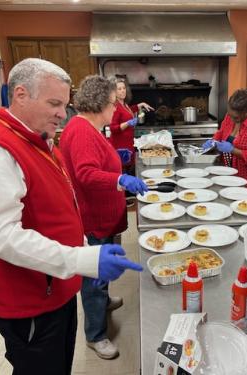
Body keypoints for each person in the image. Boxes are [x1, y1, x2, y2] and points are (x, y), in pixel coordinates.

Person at [0, 58, 143, 375]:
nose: (62, 113)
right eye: (54, 103)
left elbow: (63, 205)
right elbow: (1, 237)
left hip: (54, 288)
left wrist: (85, 250)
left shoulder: (38, 141)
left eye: (65, 104)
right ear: (20, 95)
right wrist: (80, 261)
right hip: (29, 302)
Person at [59, 75, 148, 359]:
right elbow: (86, 174)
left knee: (103, 268)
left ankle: (104, 301)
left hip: (103, 214)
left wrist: (115, 158)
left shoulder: (88, 127)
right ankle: (95, 335)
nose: (115, 109)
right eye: (112, 103)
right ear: (99, 103)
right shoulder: (83, 130)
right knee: (95, 274)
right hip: (94, 217)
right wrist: (120, 179)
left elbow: (96, 161)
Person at [202, 88, 247, 193]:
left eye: (236, 118)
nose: (232, 119)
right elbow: (221, 132)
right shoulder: (230, 116)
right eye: (230, 115)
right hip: (232, 177)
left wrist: (233, 150)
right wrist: (213, 141)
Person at [109, 77, 154, 174]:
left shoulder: (124, 104)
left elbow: (128, 111)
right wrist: (128, 123)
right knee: (124, 173)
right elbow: (113, 128)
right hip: (120, 147)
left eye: (124, 88)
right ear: (114, 92)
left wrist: (140, 105)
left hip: (128, 144)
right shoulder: (115, 106)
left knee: (129, 170)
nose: (122, 91)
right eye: (119, 89)